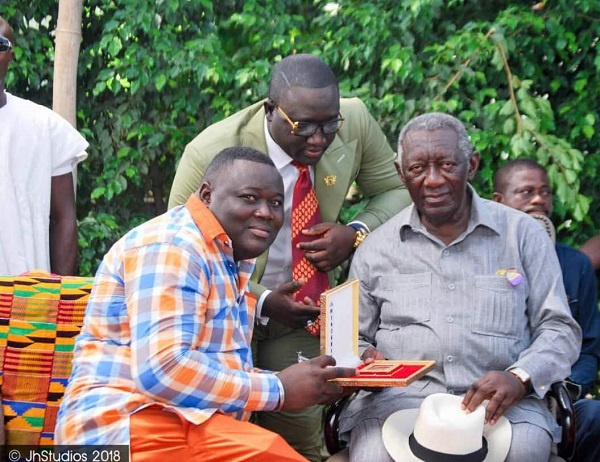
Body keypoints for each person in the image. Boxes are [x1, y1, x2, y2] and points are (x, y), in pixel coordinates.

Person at [168, 53, 410, 460]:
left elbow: (396, 190)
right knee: (221, 432)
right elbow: (181, 248)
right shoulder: (210, 151)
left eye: (329, 125)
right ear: (270, 110)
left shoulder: (355, 119)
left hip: (302, 311)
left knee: (298, 437)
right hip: (224, 310)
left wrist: (355, 232)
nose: (318, 139)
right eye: (303, 127)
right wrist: (261, 300)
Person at [55, 147, 356, 461]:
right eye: (249, 198)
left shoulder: (225, 255)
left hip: (179, 423)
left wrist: (321, 378)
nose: (266, 212)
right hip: (125, 428)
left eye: (276, 202)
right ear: (207, 194)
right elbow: (162, 370)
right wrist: (278, 388)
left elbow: (213, 365)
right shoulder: (174, 246)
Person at [339, 112, 582, 462]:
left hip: (505, 404)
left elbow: (559, 328)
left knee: (524, 452)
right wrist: (364, 359)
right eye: (417, 168)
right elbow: (351, 339)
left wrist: (520, 377)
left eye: (447, 165)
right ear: (399, 173)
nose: (433, 180)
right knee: (375, 453)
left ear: (472, 165)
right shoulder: (376, 248)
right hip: (399, 402)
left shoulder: (522, 235)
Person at [493, 158, 600, 462]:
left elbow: (589, 349)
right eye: (526, 192)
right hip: (495, 394)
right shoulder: (482, 261)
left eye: (545, 192)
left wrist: (561, 389)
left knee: (594, 416)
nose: (539, 199)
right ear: (499, 201)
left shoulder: (576, 266)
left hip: (559, 396)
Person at [0, 16, 88, 276]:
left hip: (29, 301)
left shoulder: (46, 127)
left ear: (11, 55)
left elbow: (64, 220)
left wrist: (59, 295)